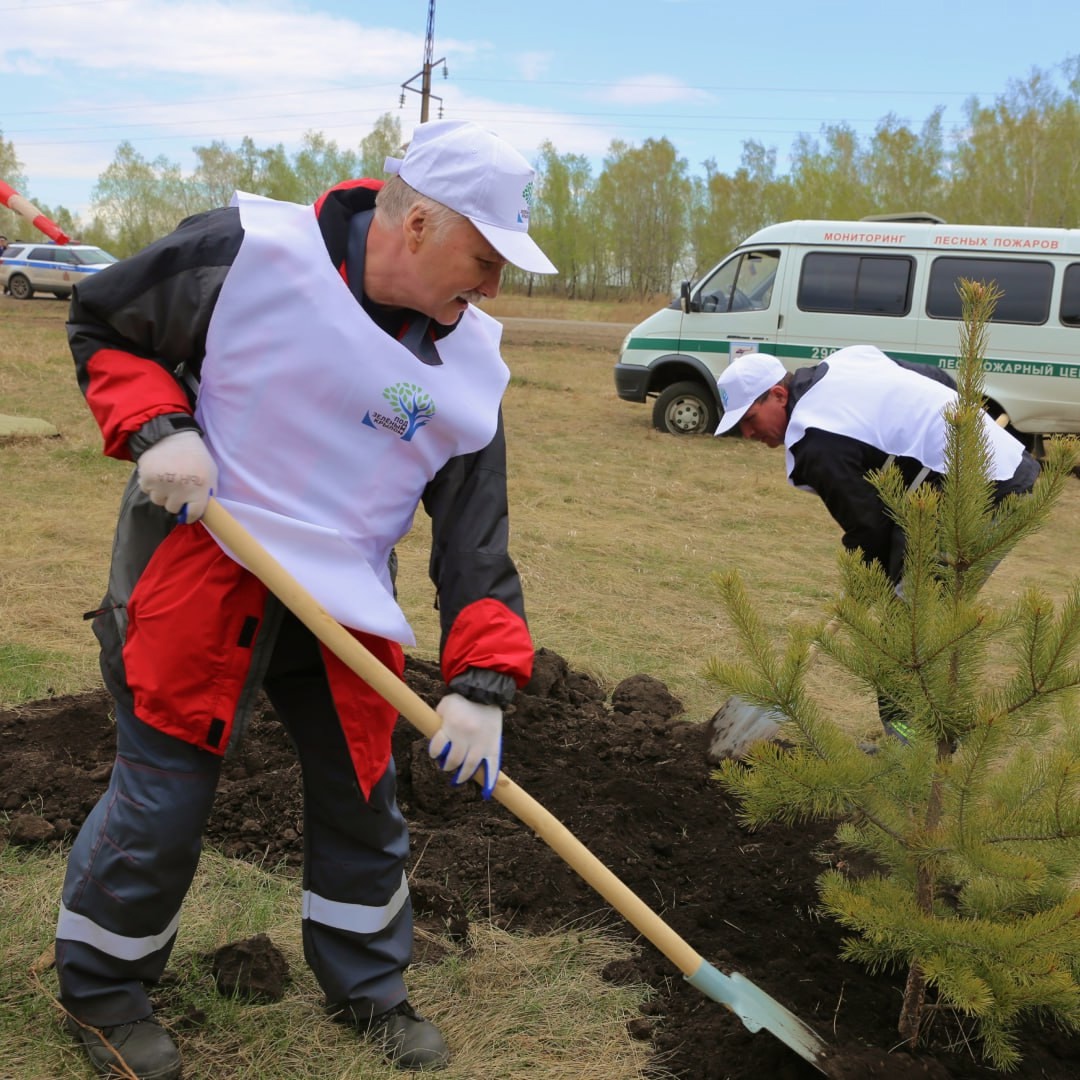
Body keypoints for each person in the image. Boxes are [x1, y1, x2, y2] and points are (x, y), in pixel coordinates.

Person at [57, 118, 557, 1079]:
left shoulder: (470, 366)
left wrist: (482, 683)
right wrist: (157, 426)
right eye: (485, 258)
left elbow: (474, 541)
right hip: (200, 572)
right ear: (416, 226)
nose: (494, 287)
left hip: (345, 607)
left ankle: (368, 990)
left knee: (365, 802)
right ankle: (105, 992)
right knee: (161, 801)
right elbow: (105, 322)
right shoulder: (248, 255)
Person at [715, 345, 1041, 741]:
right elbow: (938, 379)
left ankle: (909, 749)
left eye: (749, 419)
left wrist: (862, 586)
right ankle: (924, 742)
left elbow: (869, 529)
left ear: (779, 396)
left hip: (981, 495)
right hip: (989, 477)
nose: (748, 433)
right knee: (916, 616)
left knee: (906, 627)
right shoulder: (848, 360)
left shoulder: (816, 439)